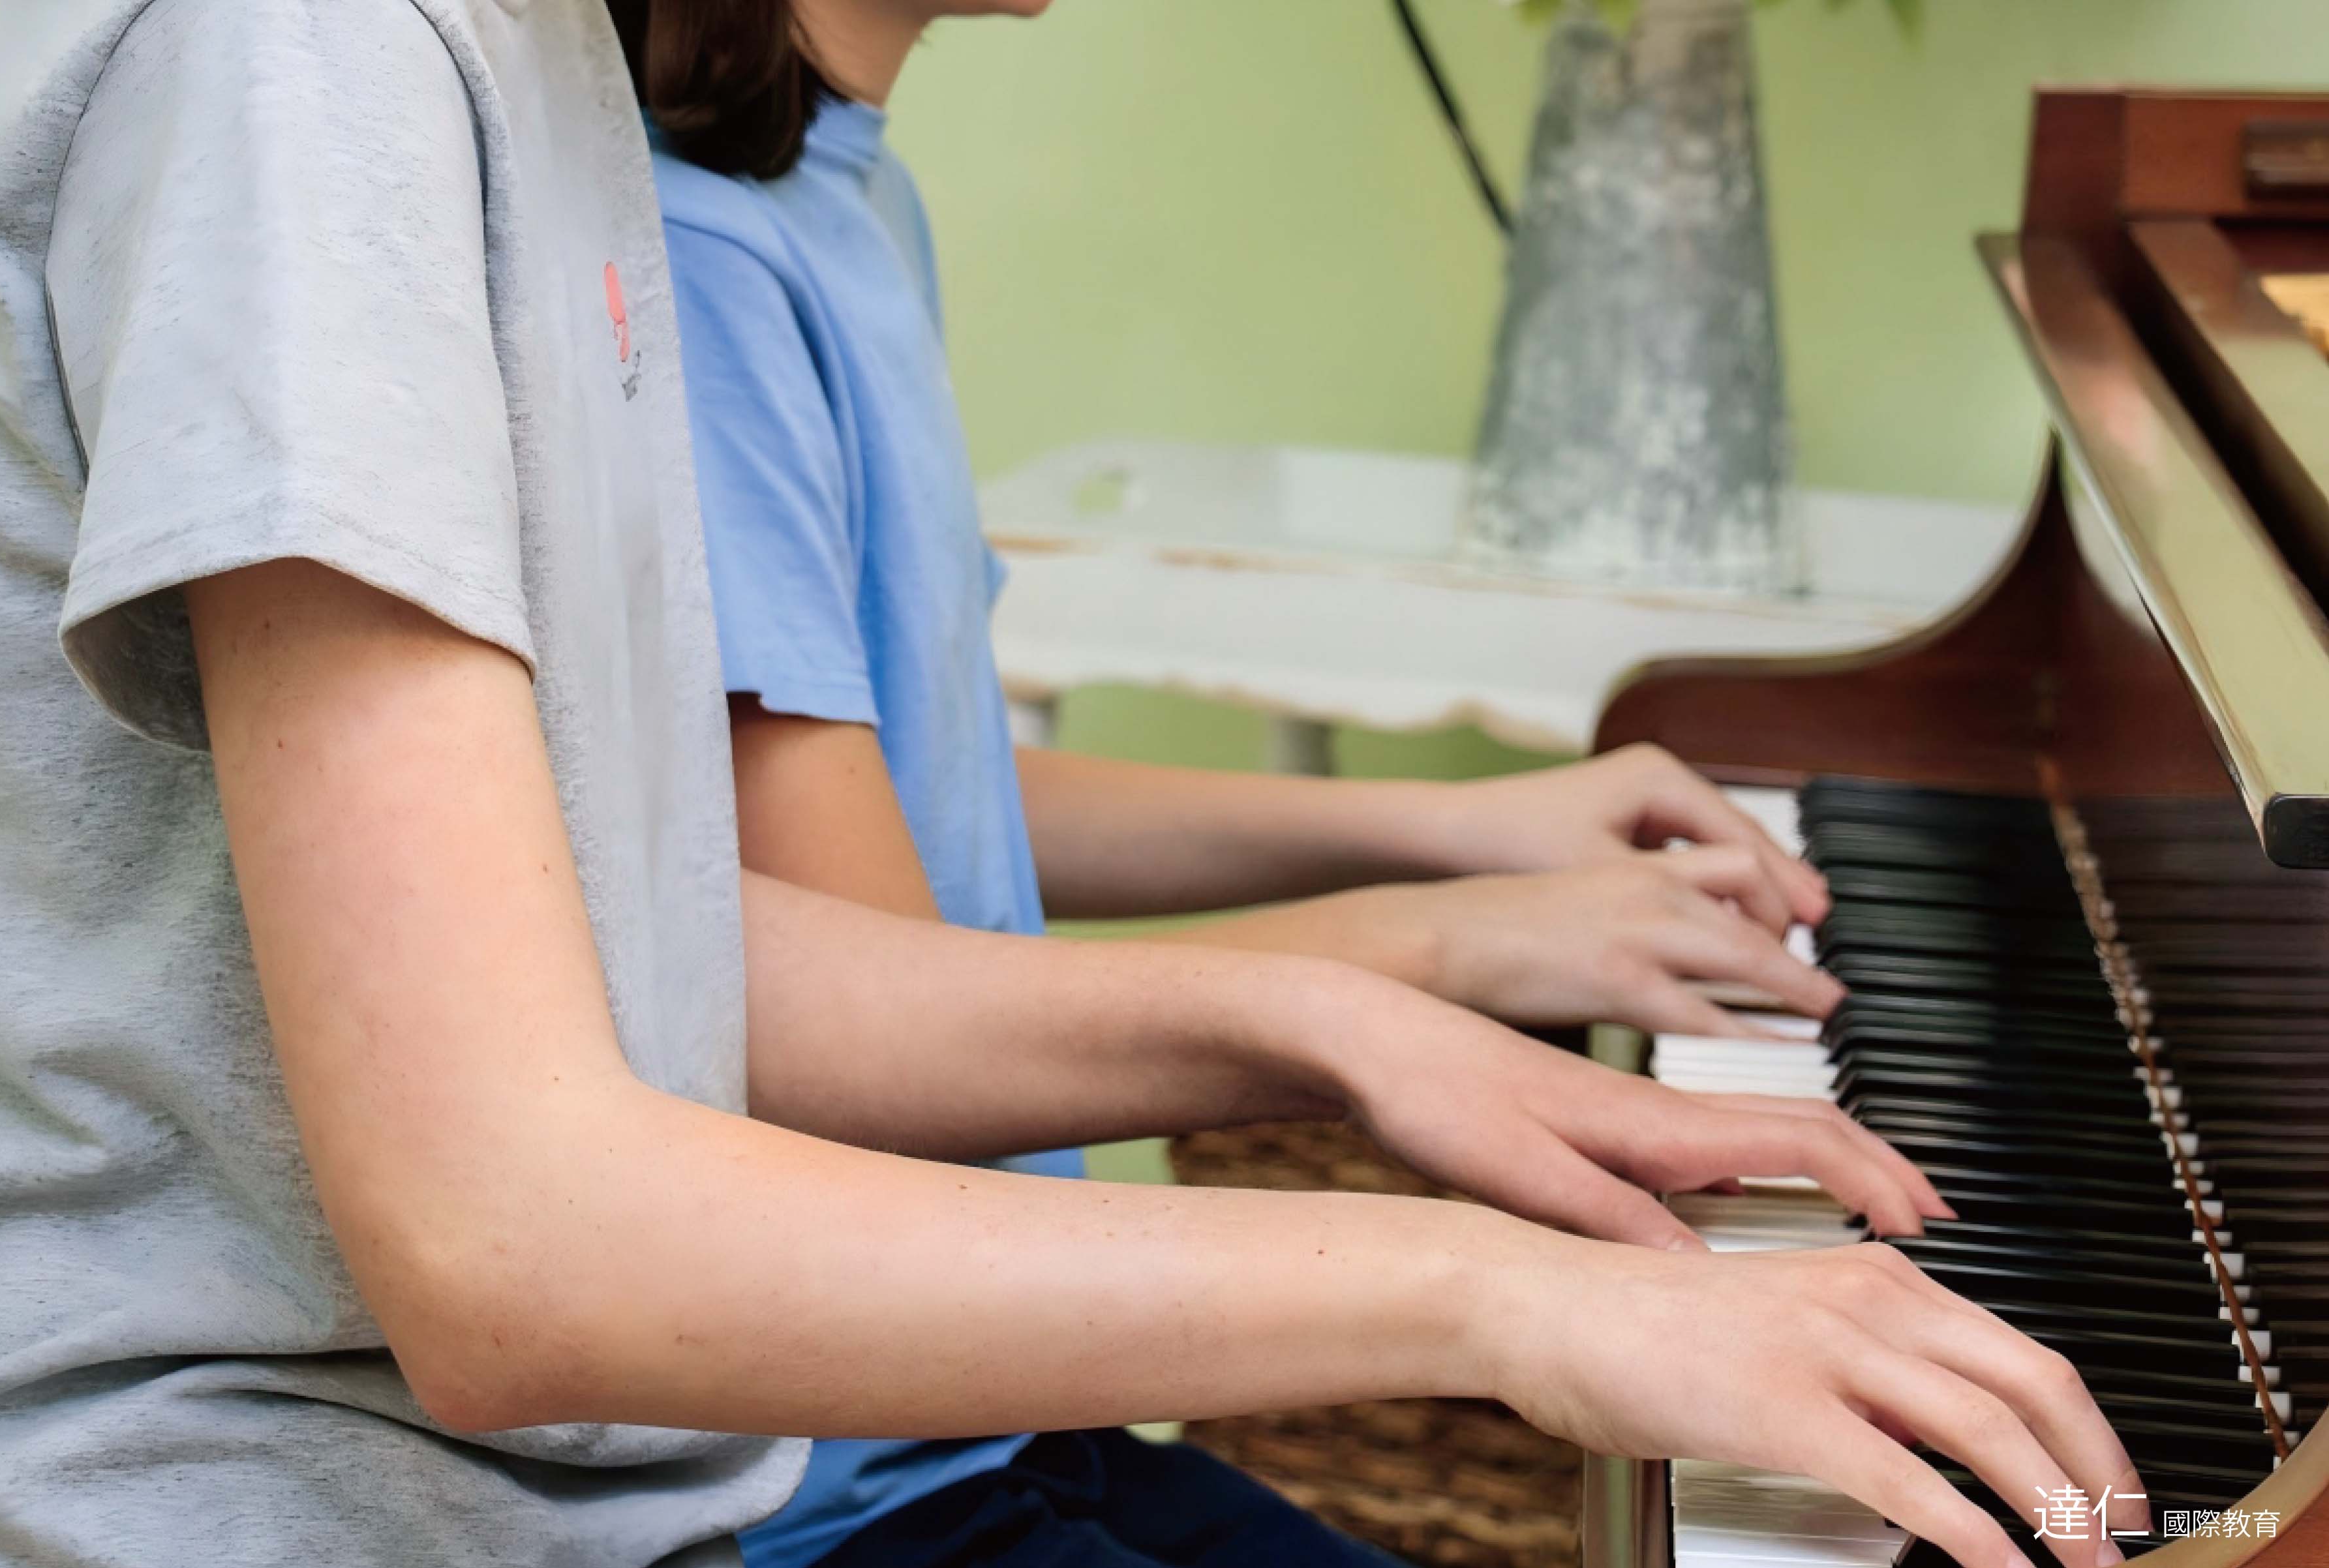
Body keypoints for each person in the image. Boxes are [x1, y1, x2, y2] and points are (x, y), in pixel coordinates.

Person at [0, 3, 2135, 1567]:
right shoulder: (295, 58)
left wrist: (1345, 1016)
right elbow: (505, 1237)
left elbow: (647, 952)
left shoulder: (530, 71)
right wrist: (1511, 1287)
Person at [635, 5, 2142, 1568]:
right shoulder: (711, 259)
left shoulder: (840, 190)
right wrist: (1430, 955)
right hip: (851, 1485)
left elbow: (922, 793)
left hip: (1008, 1413)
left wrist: (1450, 829)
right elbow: (893, 1027)